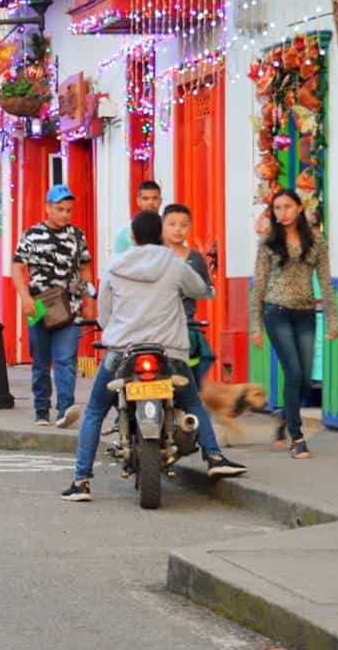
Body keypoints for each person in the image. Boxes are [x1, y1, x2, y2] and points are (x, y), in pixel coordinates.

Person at [62, 210, 246, 501]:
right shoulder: (173, 263)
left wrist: (114, 329)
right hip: (170, 352)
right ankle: (214, 458)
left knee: (96, 410)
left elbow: (104, 316)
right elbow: (202, 290)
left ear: (133, 237)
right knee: (192, 402)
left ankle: (81, 481)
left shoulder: (114, 267)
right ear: (160, 235)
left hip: (123, 352)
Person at [251, 187, 338, 459]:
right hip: (276, 312)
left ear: (299, 208)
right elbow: (260, 283)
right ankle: (297, 437)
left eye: (287, 206)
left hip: (305, 313)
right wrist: (256, 324)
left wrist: (333, 319)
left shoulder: (316, 240)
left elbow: (325, 281)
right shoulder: (268, 241)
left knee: (304, 378)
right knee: (293, 371)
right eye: (277, 208)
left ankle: (283, 415)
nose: (283, 213)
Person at [12, 184, 93, 429]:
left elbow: (85, 267)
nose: (65, 215)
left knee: (66, 359)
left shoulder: (77, 236)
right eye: (60, 209)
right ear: (47, 208)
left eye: (68, 210)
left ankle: (65, 408)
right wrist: (24, 298)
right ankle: (41, 409)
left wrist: (88, 299)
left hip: (71, 306)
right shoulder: (32, 235)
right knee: (40, 360)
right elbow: (17, 267)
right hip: (38, 305)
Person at [161, 203, 215, 382]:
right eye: (172, 224)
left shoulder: (196, 258)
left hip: (187, 324)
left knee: (188, 375)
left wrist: (193, 289)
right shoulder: (156, 255)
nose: (178, 229)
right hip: (159, 324)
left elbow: (208, 290)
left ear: (190, 227)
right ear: (162, 225)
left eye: (184, 225)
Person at [111, 180, 164, 256]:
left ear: (160, 201)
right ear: (138, 201)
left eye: (155, 198)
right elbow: (116, 263)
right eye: (146, 198)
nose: (150, 202)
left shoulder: (169, 227)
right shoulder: (125, 231)